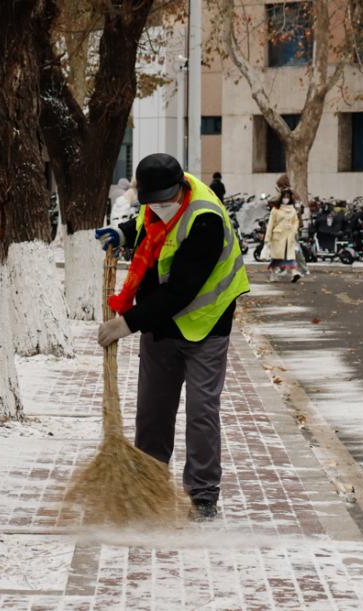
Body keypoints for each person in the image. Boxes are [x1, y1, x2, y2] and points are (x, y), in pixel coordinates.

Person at [93, 153, 250, 521]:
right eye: (152, 202)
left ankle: (203, 496)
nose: (159, 208)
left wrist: (127, 323)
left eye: (165, 201)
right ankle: (150, 483)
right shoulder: (157, 204)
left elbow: (181, 291)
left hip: (206, 324)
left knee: (201, 412)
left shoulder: (205, 219)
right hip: (163, 325)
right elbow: (147, 224)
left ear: (180, 188)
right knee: (152, 409)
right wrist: (124, 232)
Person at [264, 189, 301, 282]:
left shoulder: (292, 210)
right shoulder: (276, 209)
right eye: (284, 197)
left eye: (288, 197)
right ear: (281, 198)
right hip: (278, 237)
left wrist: (293, 229)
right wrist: (267, 238)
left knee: (290, 256)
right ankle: (273, 274)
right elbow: (271, 224)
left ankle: (294, 272)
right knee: (277, 258)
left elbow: (296, 221)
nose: (286, 199)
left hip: (289, 237)